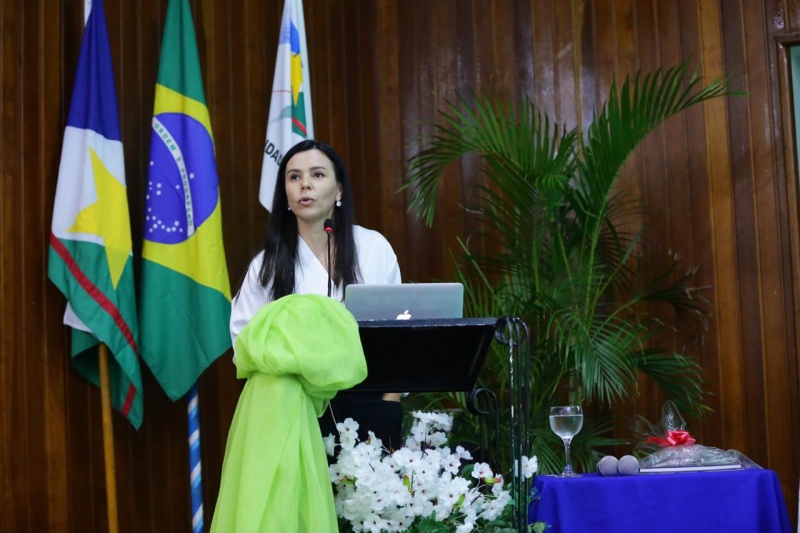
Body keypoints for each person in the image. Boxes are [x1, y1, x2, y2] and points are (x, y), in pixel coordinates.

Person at [230, 139, 404, 449]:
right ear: (285, 194)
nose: (305, 184)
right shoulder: (266, 265)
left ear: (339, 191)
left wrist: (388, 402)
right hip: (294, 412)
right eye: (294, 177)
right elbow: (244, 341)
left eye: (318, 175)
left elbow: (400, 329)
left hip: (371, 403)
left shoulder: (374, 248)